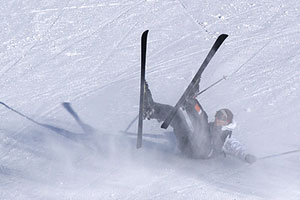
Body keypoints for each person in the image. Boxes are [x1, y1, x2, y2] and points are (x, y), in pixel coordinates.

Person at [143, 81, 256, 164]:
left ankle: (190, 101)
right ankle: (150, 109)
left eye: (220, 118)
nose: (217, 119)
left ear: (227, 122)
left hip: (204, 152)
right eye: (217, 116)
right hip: (188, 146)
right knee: (177, 116)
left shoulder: (225, 134)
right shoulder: (212, 127)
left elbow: (236, 147)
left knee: (202, 121)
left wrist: (246, 156)